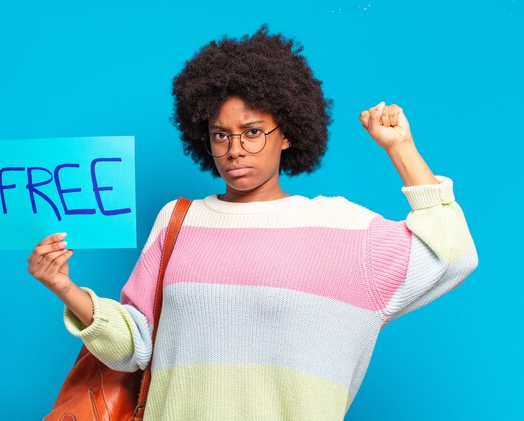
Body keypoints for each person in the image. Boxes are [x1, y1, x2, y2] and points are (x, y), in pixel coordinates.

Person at [27, 24, 479, 420]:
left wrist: (400, 148)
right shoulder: (178, 221)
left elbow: (453, 254)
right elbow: (134, 347)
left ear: (286, 132)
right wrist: (66, 288)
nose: (234, 149)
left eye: (252, 131)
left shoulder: (342, 228)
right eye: (220, 134)